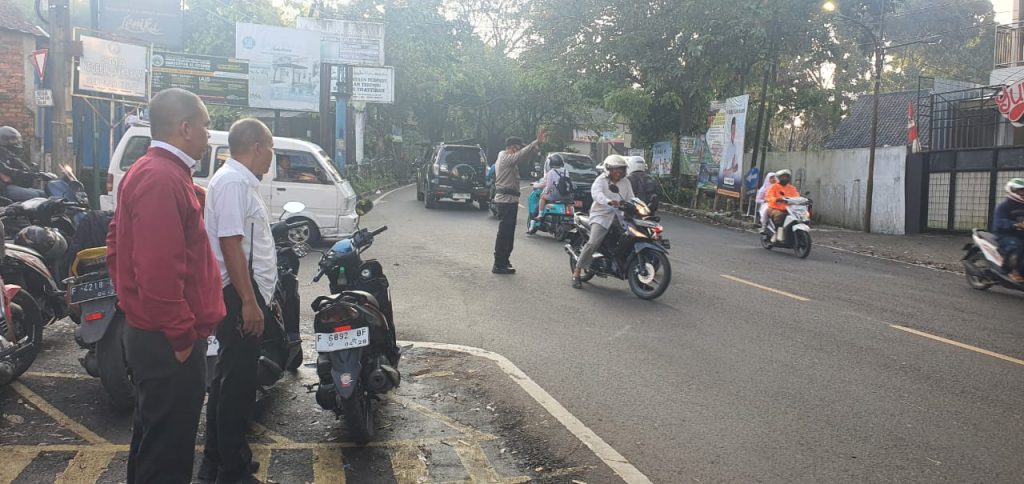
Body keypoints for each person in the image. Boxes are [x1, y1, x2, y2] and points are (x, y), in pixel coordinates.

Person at [106, 88, 226, 484]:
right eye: (206, 125)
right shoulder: (160, 178)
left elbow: (115, 243)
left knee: (155, 442)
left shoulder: (157, 172)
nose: (209, 134)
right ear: (185, 127)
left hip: (152, 331)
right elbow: (158, 273)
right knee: (168, 455)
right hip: (167, 339)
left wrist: (131, 296)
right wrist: (179, 338)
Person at [198, 119, 277, 484]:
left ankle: (220, 458)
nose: (271, 158)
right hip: (237, 293)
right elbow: (231, 243)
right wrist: (249, 301)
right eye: (271, 150)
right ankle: (233, 470)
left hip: (241, 291)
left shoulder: (240, 181)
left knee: (229, 379)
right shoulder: (232, 183)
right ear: (257, 147)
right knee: (237, 385)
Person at [572, 155, 634, 289]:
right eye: (617, 170)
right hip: (601, 216)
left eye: (622, 170)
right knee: (593, 242)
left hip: (619, 217)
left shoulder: (626, 182)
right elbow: (597, 194)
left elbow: (631, 198)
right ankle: (577, 272)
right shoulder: (600, 180)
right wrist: (608, 201)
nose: (620, 173)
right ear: (609, 170)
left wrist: (637, 206)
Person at [491, 128, 546, 274]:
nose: (519, 150)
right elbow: (521, 155)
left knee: (509, 233)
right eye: (517, 147)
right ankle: (499, 263)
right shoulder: (504, 157)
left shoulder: (510, 159)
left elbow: (524, 156)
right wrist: (536, 142)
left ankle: (504, 260)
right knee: (505, 234)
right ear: (511, 147)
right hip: (506, 201)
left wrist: (537, 146)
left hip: (511, 200)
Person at [0, 126, 46, 201]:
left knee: (44, 194)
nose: (16, 142)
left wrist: (36, 172)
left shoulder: (10, 155)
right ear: (4, 140)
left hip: (13, 185)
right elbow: (7, 173)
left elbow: (22, 168)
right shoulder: (2, 155)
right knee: (35, 196)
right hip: (4, 189)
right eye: (13, 139)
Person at [530, 154, 573, 233]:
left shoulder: (551, 172)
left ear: (551, 163)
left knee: (542, 197)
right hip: (566, 195)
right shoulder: (565, 171)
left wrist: (545, 192)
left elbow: (548, 186)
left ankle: (539, 215)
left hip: (555, 196)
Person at [994, 178, 1024, 282]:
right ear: (1013, 190)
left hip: (1021, 234)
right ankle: (1011, 270)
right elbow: (999, 222)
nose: (1023, 193)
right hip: (1005, 235)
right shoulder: (1003, 206)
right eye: (1021, 190)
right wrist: (1016, 225)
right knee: (1016, 246)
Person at [765, 169, 800, 243]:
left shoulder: (792, 188)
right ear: (779, 178)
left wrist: (801, 200)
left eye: (787, 177)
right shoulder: (773, 187)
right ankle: (776, 233)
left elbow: (797, 196)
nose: (785, 178)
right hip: (775, 208)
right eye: (783, 177)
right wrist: (776, 199)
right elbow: (769, 196)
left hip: (789, 209)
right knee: (779, 215)